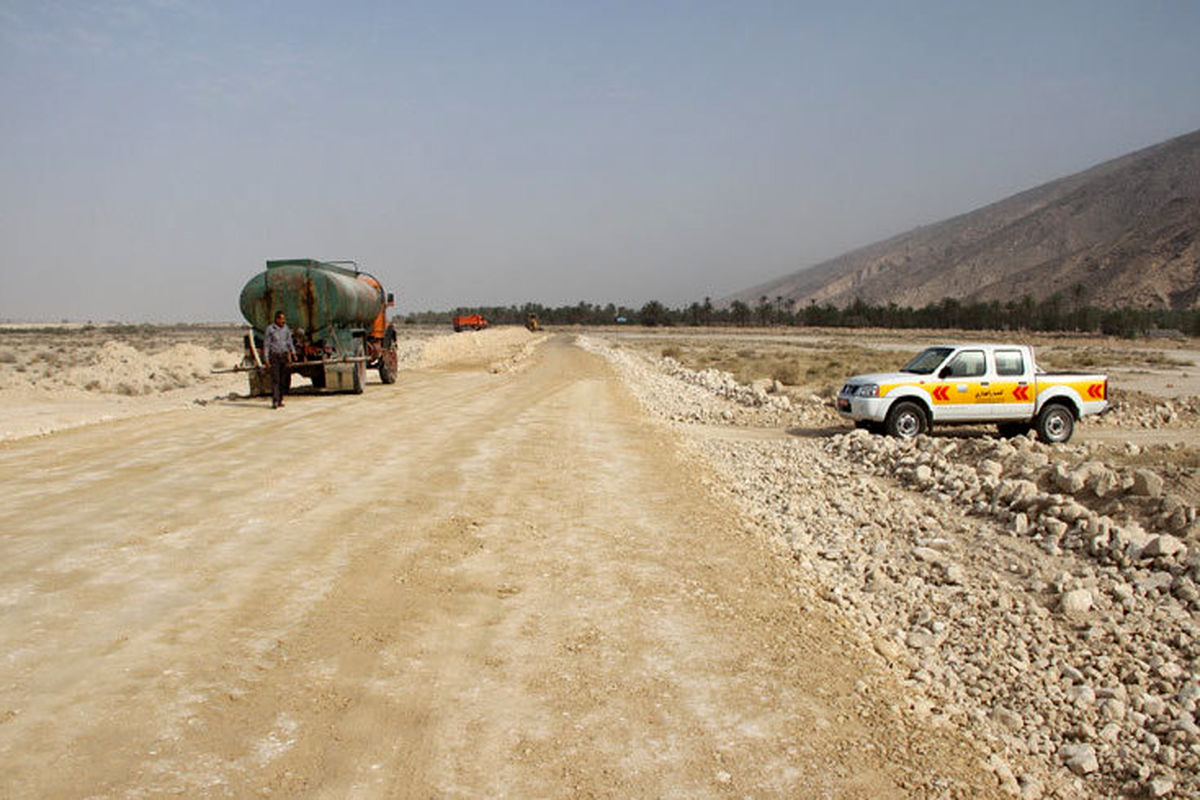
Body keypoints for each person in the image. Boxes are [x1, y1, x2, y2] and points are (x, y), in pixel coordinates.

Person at [263, 310, 296, 409]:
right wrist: (266, 358)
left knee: (283, 380)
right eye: (281, 319)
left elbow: (289, 341)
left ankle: (281, 399)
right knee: (275, 379)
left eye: (284, 319)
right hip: (274, 356)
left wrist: (293, 353)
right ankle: (275, 401)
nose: (283, 321)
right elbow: (266, 345)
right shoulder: (270, 329)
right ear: (276, 319)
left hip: (284, 356)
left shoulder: (286, 329)